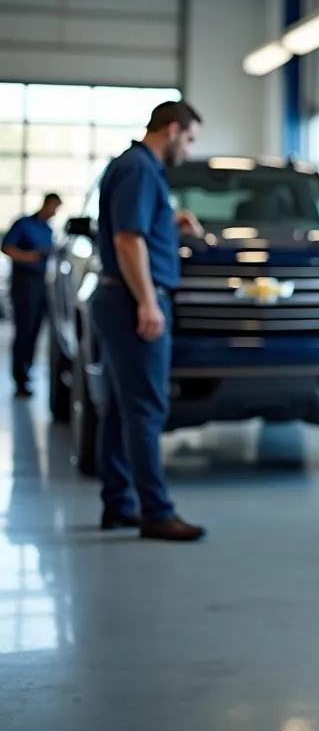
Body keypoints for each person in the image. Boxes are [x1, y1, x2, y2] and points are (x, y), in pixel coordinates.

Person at [92, 101, 206, 541]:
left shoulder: (137, 167)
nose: (188, 148)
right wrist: (147, 302)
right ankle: (155, 513)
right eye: (190, 139)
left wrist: (168, 219)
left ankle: (118, 504)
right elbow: (127, 239)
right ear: (173, 129)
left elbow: (138, 226)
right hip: (131, 300)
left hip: (119, 299)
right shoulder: (140, 168)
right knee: (145, 408)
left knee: (123, 409)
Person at [2, 192, 62, 398]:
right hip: (23, 283)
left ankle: (27, 372)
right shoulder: (24, 224)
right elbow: (7, 247)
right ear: (46, 204)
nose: (55, 212)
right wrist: (29, 257)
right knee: (23, 330)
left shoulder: (48, 229)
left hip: (41, 284)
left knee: (35, 330)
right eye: (54, 207)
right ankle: (18, 377)